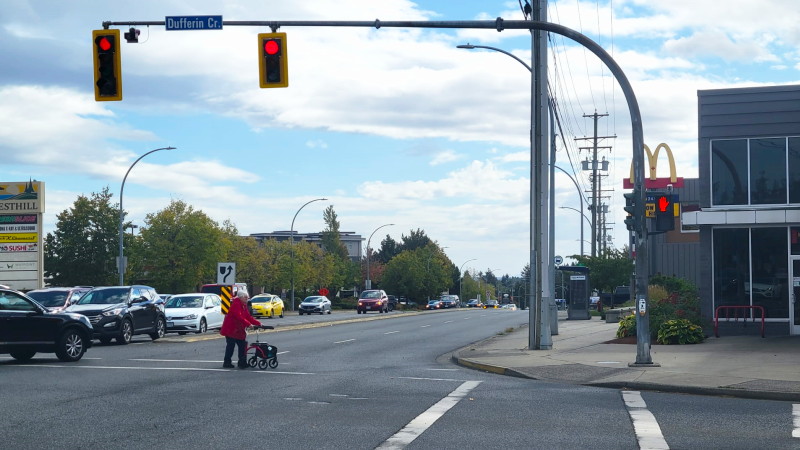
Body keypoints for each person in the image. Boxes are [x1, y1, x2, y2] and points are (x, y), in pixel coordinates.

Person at [220, 290, 261, 369]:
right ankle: (227, 362)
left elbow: (248, 317)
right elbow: (239, 317)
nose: (247, 298)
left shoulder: (243, 305)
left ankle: (242, 362)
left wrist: (258, 323)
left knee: (242, 345)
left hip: (238, 330)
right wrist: (249, 324)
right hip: (231, 329)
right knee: (231, 346)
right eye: (245, 297)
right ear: (241, 297)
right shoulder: (236, 304)